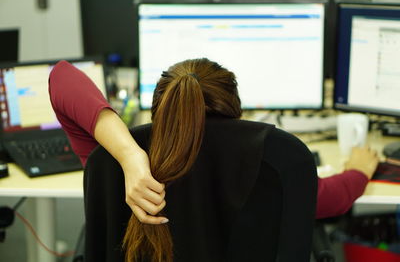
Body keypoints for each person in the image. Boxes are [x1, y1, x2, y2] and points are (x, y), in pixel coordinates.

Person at [49, 59, 378, 259]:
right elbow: (329, 199)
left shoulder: (114, 163)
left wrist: (130, 155)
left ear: (158, 111)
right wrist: (359, 172)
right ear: (237, 113)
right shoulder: (279, 164)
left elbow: (61, 78)